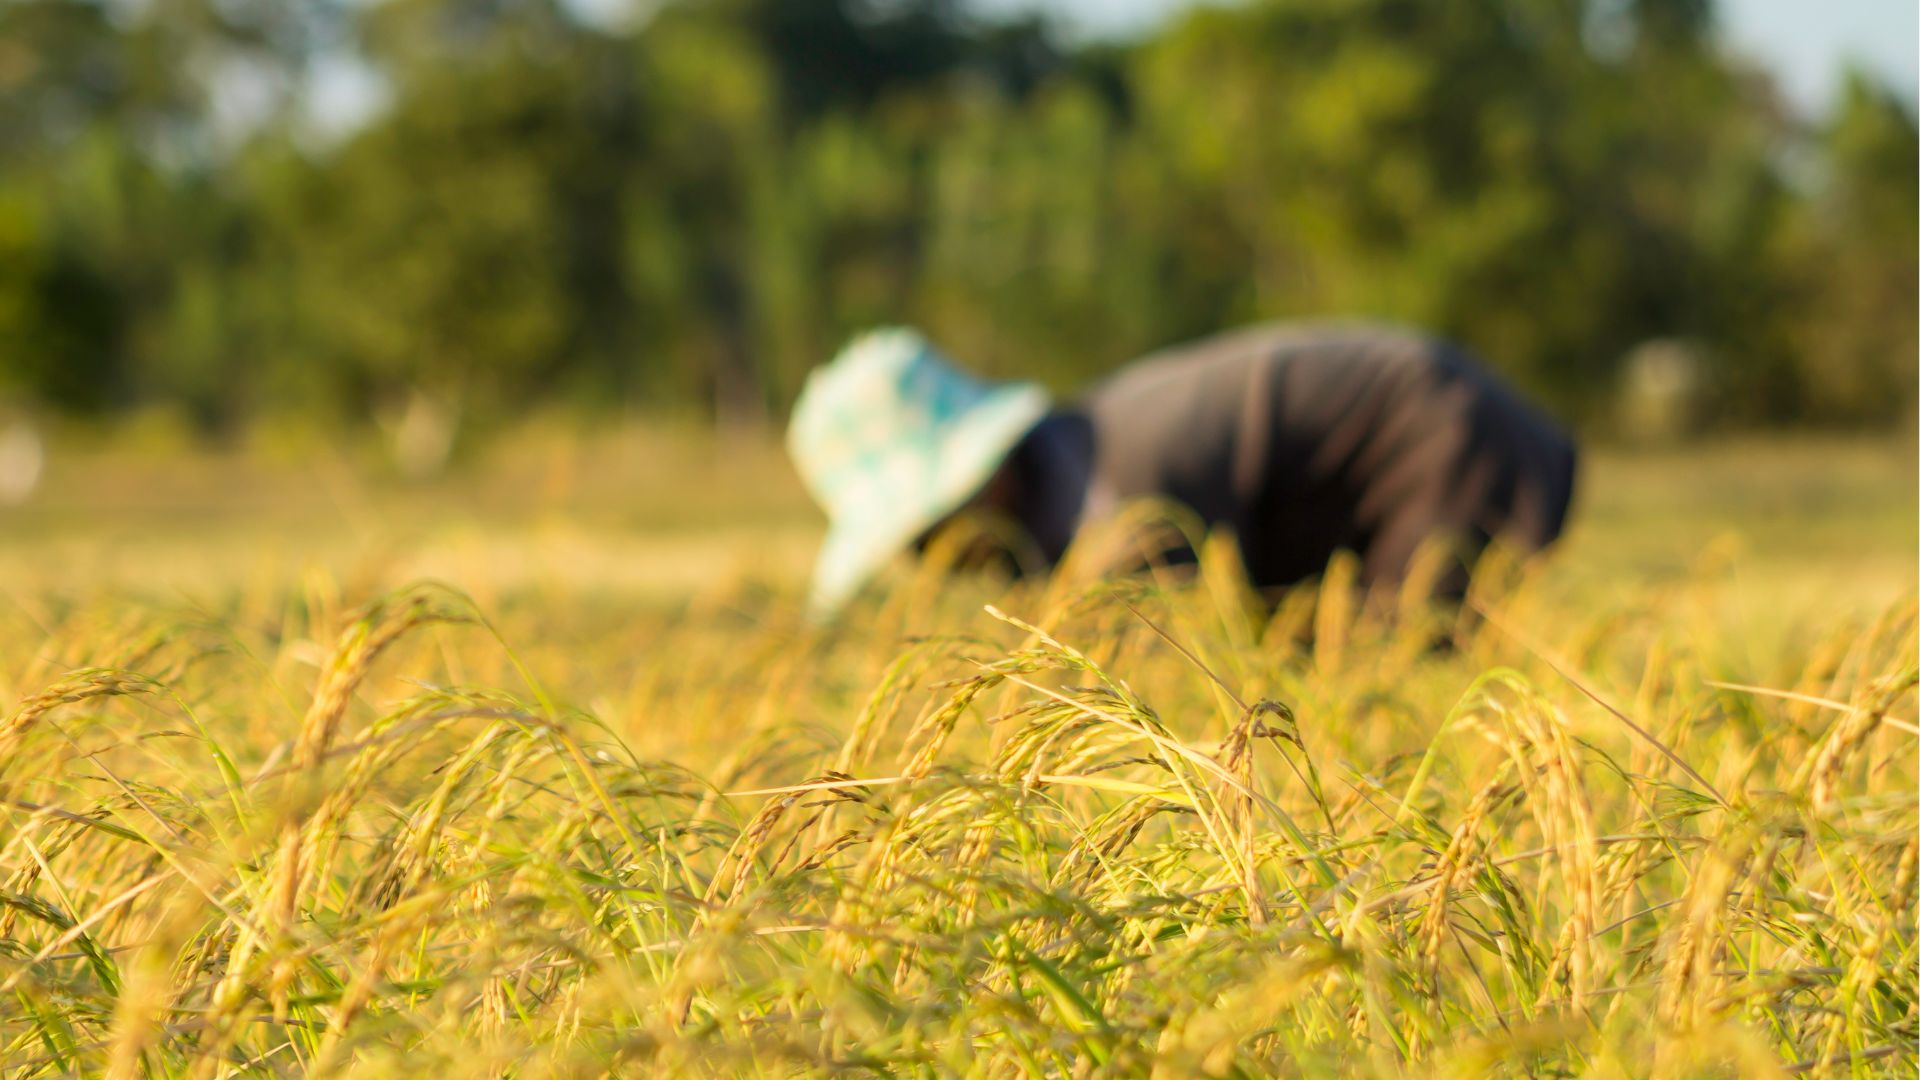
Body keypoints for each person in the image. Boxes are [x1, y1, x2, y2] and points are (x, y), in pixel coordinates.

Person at [786, 322, 1577, 617]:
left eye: (928, 535)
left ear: (984, 480)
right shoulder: (1078, 462)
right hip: (1356, 484)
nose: (930, 564)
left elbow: (1175, 682)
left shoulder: (1124, 492)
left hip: (1442, 443)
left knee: (1400, 699)